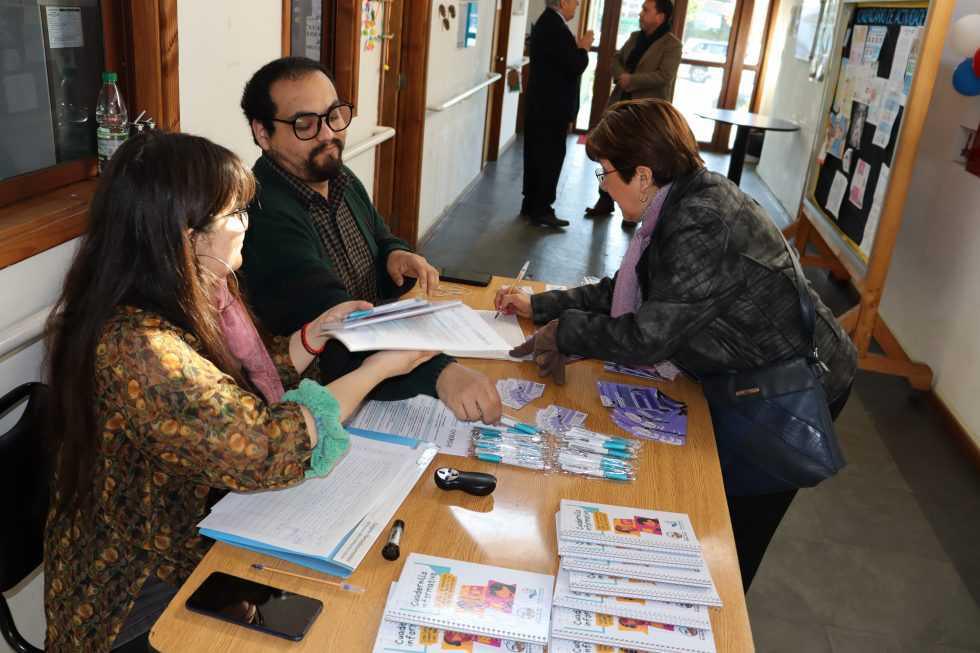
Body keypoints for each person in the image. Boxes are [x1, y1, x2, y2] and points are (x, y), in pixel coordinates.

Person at [42, 131, 436, 652]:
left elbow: (230, 391)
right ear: (186, 236)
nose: (246, 225)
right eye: (235, 215)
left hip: (191, 535)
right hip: (133, 592)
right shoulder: (137, 344)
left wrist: (314, 335)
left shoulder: (188, 295)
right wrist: (378, 370)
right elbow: (263, 446)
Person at [496, 99, 858, 591]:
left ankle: (720, 621)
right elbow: (634, 289)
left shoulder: (701, 221)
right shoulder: (679, 201)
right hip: (745, 375)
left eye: (606, 174)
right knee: (706, 509)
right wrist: (542, 307)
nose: (603, 185)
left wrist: (566, 330)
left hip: (787, 389)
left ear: (642, 175)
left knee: (730, 530)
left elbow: (648, 335)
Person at [239, 57, 501, 423]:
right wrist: (441, 373)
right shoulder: (265, 212)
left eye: (334, 115)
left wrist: (395, 255)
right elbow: (336, 319)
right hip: (325, 402)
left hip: (384, 362)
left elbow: (379, 236)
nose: (329, 133)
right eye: (305, 124)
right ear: (263, 134)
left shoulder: (338, 177)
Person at [585, 0, 682, 219]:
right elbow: (617, 60)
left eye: (646, 10)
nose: (640, 13)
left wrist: (633, 80)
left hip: (646, 114)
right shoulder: (635, 38)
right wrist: (621, 76)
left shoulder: (672, 45)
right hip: (620, 108)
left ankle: (639, 209)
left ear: (661, 16)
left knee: (642, 161)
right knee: (608, 155)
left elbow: (665, 76)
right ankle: (605, 198)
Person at [521, 0, 594, 227]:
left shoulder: (547, 23)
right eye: (575, 1)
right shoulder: (555, 27)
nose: (579, 5)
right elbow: (574, 65)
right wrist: (583, 48)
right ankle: (542, 208)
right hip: (551, 108)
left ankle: (531, 204)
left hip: (541, 105)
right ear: (563, 2)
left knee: (536, 155)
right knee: (549, 158)